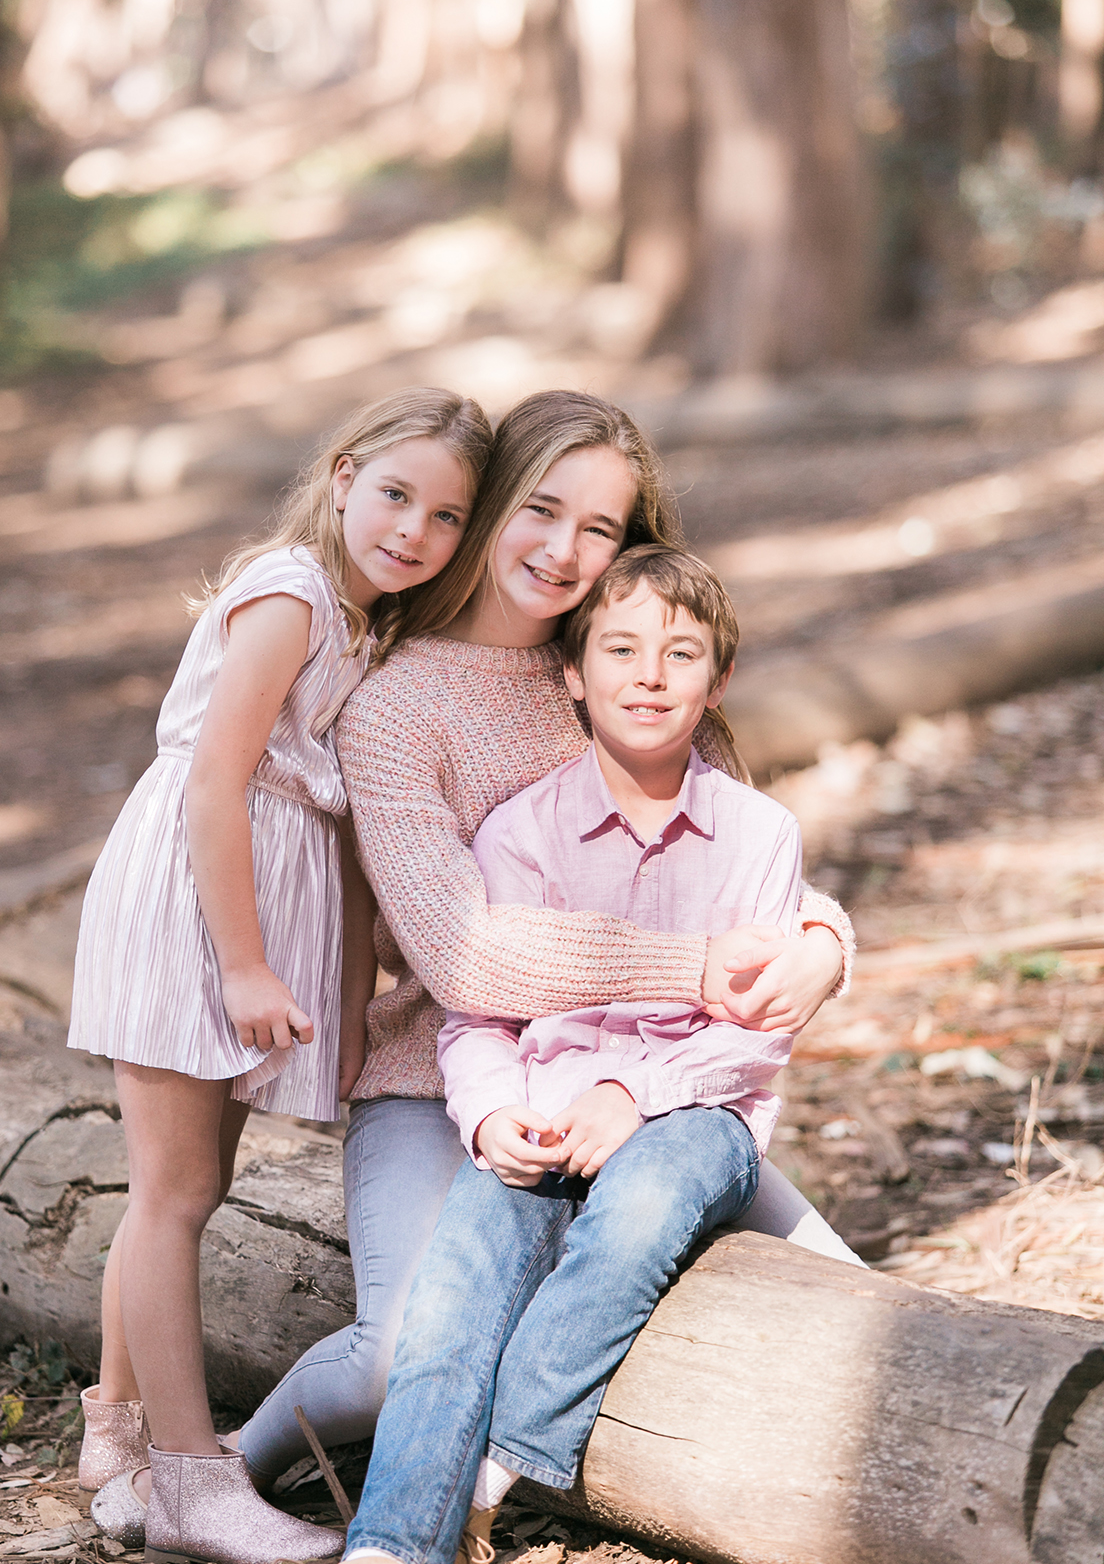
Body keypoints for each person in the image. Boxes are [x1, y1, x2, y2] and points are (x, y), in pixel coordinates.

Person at [235, 391, 859, 1500]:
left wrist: (822, 938)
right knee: (393, 1361)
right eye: (539, 509)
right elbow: (463, 958)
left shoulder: (631, 653)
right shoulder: (394, 707)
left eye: (603, 530)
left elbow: (739, 862)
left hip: (652, 1084)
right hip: (448, 1086)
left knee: (848, 1300)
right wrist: (692, 967)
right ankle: (231, 1464)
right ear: (485, 509)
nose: (566, 552)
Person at [215, 544, 816, 1564]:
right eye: (620, 649)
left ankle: (484, 1479)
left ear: (717, 682)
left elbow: (753, 1030)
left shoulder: (754, 835)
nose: (648, 675)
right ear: (572, 677)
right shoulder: (522, 831)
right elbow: (473, 1016)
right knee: (454, 1290)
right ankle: (386, 1562)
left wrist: (626, 1092)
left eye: (680, 654)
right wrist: (490, 1116)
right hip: (534, 1117)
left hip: (693, 1122)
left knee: (635, 1209)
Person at [67, 387, 492, 1564]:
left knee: (183, 1184)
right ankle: (193, 1484)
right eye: (396, 493)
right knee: (176, 1192)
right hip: (193, 905)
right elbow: (216, 782)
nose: (412, 530)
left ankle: (116, 1432)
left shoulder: (365, 623)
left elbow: (339, 826)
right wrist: (249, 964)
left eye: (446, 517)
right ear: (345, 472)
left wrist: (352, 986)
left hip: (251, 906)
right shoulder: (291, 592)